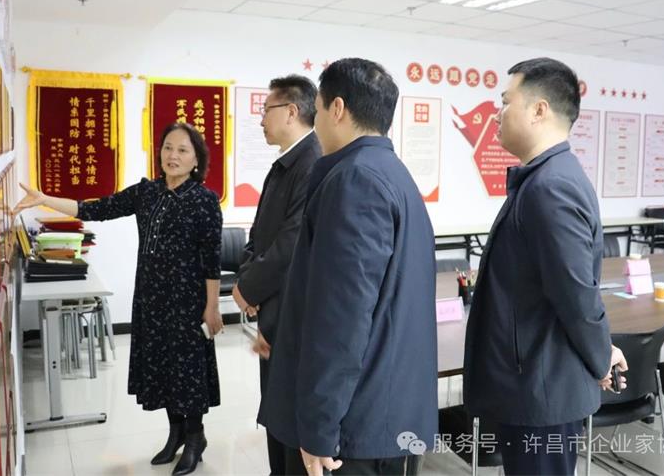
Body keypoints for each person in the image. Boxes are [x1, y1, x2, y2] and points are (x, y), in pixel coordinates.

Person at [14, 122, 223, 476]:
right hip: (151, 300)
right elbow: (96, 209)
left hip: (188, 303)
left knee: (187, 372)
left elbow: (211, 260)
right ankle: (175, 434)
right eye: (168, 147)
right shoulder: (147, 192)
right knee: (162, 369)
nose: (172, 156)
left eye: (182, 150)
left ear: (196, 160)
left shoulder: (204, 201)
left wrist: (212, 307)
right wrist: (45, 199)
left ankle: (194, 438)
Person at [263, 58, 438, 476]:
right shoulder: (390, 172)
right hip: (381, 410)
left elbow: (342, 319)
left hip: (353, 430)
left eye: (319, 108)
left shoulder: (355, 181)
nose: (316, 120)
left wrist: (319, 427)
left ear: (337, 108)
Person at [462, 57, 627, 475]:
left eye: (505, 102)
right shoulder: (545, 178)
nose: (497, 113)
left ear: (539, 110)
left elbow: (576, 295)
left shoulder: (550, 187)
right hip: (536, 377)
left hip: (542, 387)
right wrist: (601, 353)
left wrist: (600, 357)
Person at [231, 74, 321, 475]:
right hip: (272, 306)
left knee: (288, 413)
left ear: (291, 112)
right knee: (275, 406)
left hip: (292, 311)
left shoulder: (311, 162)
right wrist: (247, 283)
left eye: (266, 110)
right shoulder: (286, 163)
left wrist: (249, 288)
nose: (261, 119)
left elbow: (293, 240)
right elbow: (259, 234)